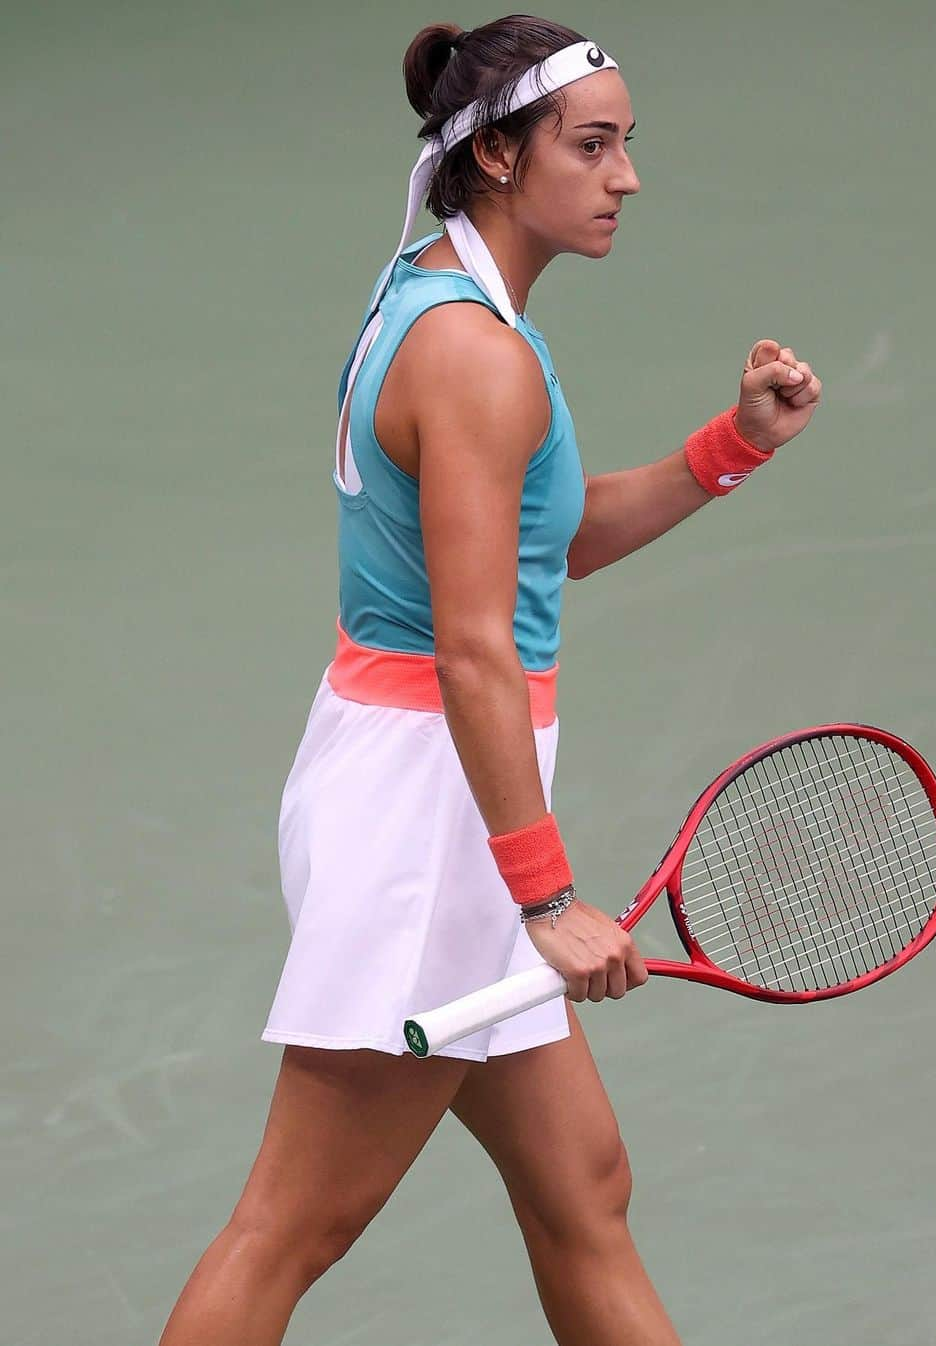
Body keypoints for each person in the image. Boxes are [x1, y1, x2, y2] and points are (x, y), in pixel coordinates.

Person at [158, 15, 821, 1346]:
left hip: (428, 793)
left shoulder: (450, 305)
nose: (625, 175)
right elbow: (475, 647)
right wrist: (549, 894)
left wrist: (730, 447)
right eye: (592, 145)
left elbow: (544, 549)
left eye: (627, 143)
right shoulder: (476, 355)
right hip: (433, 826)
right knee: (290, 1227)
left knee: (583, 1187)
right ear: (502, 157)